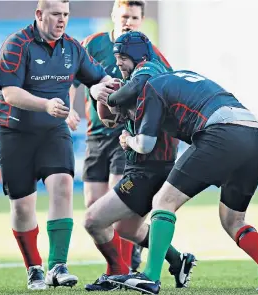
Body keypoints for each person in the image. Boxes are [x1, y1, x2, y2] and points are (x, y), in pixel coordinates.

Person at [106, 70, 258, 294]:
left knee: (163, 201)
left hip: (222, 133)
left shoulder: (149, 89)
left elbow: (145, 145)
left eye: (128, 112)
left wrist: (128, 139)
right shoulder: (177, 80)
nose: (132, 116)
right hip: (255, 136)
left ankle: (150, 277)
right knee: (233, 221)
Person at [0, 0, 115, 290]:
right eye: (56, 14)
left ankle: (58, 265)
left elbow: (100, 78)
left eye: (66, 15)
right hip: (13, 131)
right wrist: (47, 105)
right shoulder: (16, 44)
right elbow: (10, 93)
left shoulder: (72, 48)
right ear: (39, 14)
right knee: (23, 207)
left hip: (53, 132)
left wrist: (104, 89)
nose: (62, 20)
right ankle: (34, 268)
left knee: (63, 184)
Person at [83, 31, 196, 292]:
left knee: (93, 220)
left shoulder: (148, 75)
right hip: (147, 167)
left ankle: (117, 272)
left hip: (149, 170)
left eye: (122, 57)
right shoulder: (138, 77)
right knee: (126, 228)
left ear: (136, 56)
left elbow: (143, 138)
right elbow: (111, 119)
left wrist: (106, 96)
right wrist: (102, 96)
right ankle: (178, 261)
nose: (118, 63)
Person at [67, 0, 172, 273]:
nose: (128, 22)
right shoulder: (92, 45)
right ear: (114, 15)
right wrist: (68, 111)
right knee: (93, 205)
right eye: (124, 16)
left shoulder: (152, 55)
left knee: (117, 208)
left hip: (126, 138)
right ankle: (172, 257)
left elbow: (168, 87)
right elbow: (72, 81)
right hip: (95, 136)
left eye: (134, 18)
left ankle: (121, 268)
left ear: (142, 20)